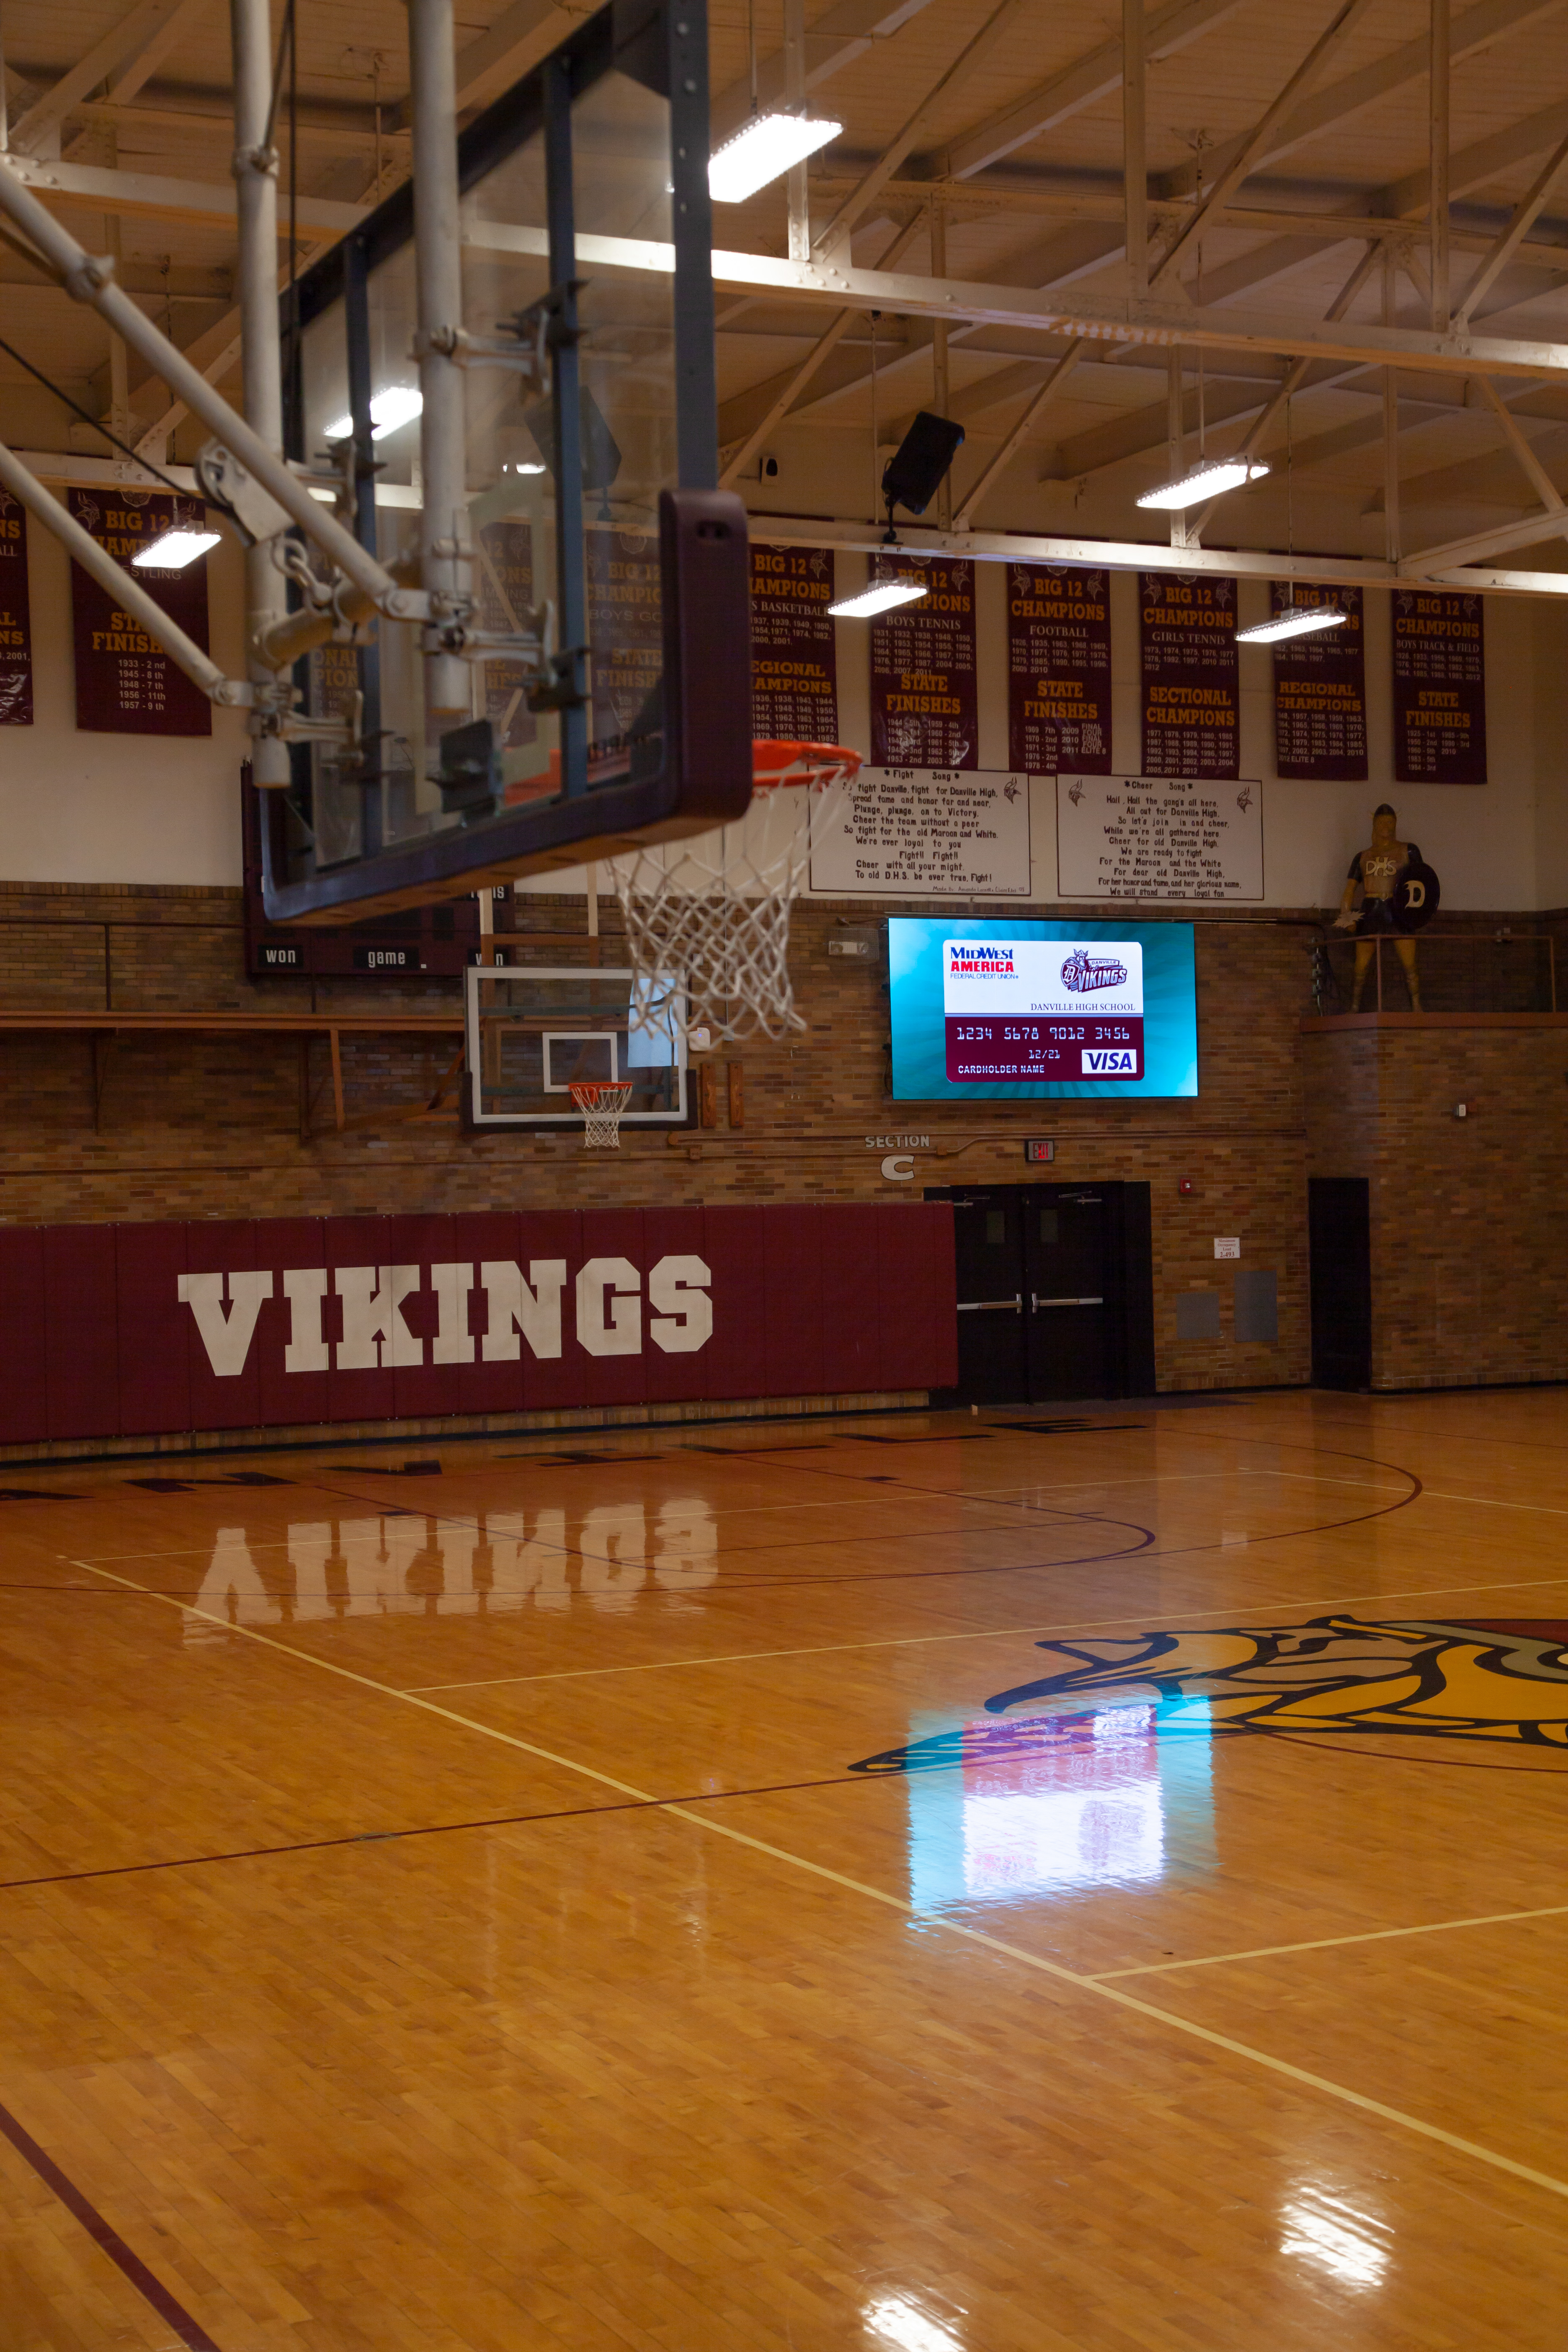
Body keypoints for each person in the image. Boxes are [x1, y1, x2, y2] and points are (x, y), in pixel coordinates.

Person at [1333, 803, 1423, 1011]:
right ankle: (1354, 1007)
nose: (1387, 826)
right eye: (1382, 822)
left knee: (1410, 965)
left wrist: (1418, 914)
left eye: (1391, 821)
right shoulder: (1363, 856)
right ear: (1374, 824)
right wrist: (1347, 918)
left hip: (1399, 910)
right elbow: (1349, 891)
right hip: (1371, 910)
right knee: (1360, 968)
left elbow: (1422, 884)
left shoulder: (1408, 850)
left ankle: (1417, 1005)